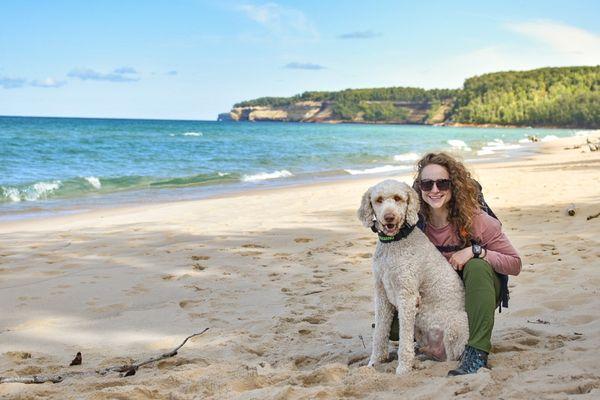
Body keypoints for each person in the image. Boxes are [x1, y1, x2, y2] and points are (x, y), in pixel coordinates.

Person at [414, 152, 521, 375]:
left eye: (442, 183)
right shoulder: (415, 223)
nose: (435, 190)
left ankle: (477, 351)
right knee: (394, 328)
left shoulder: (476, 219)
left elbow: (514, 263)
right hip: (438, 300)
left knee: (477, 265)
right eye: (427, 184)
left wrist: (476, 251)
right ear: (419, 188)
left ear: (454, 186)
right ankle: (431, 341)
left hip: (477, 293)